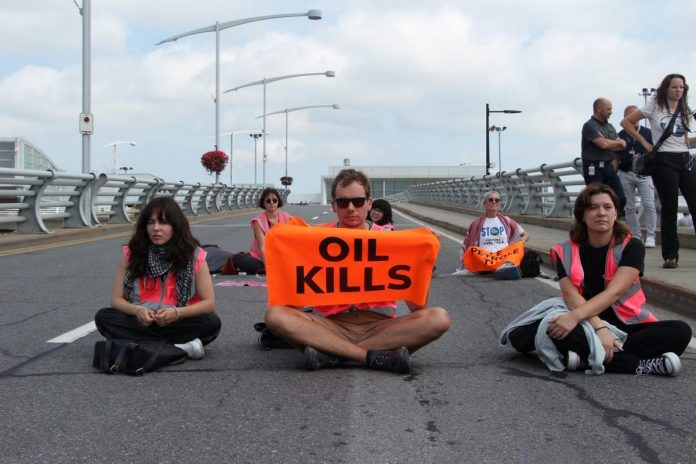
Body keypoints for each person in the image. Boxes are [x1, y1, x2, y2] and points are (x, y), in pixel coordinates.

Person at [264, 169, 451, 374]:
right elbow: (296, 308)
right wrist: (285, 250)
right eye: (343, 202)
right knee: (275, 315)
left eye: (358, 201)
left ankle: (332, 354)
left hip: (381, 326)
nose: (351, 208)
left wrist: (424, 259)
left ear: (369, 203)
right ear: (334, 205)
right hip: (330, 325)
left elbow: (417, 308)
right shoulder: (316, 238)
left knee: (439, 318)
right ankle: (370, 356)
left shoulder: (391, 240)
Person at [500, 183, 691, 376]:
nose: (601, 213)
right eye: (593, 207)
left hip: (627, 324)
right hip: (585, 321)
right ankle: (641, 365)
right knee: (537, 333)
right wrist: (597, 327)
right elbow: (570, 295)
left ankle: (586, 357)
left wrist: (593, 327)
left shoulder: (632, 246)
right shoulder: (563, 250)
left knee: (680, 331)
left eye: (608, 207)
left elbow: (614, 292)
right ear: (582, 215)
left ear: (616, 213)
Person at [95, 196, 221, 360]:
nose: (156, 228)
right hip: (141, 321)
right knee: (104, 317)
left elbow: (209, 303)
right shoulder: (132, 254)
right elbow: (117, 300)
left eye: (163, 222)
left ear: (176, 226)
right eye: (150, 222)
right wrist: (138, 310)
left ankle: (141, 344)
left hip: (175, 321)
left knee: (211, 323)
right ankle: (178, 348)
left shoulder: (194, 256)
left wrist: (176, 313)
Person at [620, 73, 696, 269]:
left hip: (685, 159)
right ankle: (670, 256)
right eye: (674, 87)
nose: (678, 90)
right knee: (669, 208)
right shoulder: (654, 106)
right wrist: (645, 142)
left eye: (681, 87)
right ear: (666, 88)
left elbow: (685, 141)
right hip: (664, 160)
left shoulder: (684, 108)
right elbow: (626, 123)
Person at [461, 191, 529, 278]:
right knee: (471, 250)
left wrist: (522, 240)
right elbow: (468, 243)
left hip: (503, 256)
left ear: (499, 204)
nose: (494, 202)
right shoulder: (476, 223)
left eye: (497, 200)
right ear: (485, 203)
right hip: (486, 257)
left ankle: (497, 268)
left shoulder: (506, 220)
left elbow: (526, 234)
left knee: (519, 246)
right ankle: (499, 268)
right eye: (490, 200)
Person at [616, 105, 657, 248]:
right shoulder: (620, 135)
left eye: (636, 115)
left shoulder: (648, 133)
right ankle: (636, 235)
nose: (634, 119)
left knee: (649, 205)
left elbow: (655, 152)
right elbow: (616, 156)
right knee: (629, 207)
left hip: (645, 175)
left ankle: (651, 236)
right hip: (626, 173)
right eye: (630, 116)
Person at [232, 187, 291, 275]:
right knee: (237, 259)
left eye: (274, 200)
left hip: (282, 256)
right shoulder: (258, 221)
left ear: (278, 202)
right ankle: (271, 268)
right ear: (263, 203)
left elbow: (302, 229)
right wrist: (269, 267)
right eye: (268, 201)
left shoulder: (286, 217)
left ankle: (277, 267)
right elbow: (263, 248)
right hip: (261, 257)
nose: (271, 202)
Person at [581, 98, 626, 211]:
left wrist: (615, 143)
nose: (611, 112)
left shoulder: (609, 127)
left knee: (620, 198)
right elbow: (603, 144)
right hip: (594, 168)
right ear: (599, 109)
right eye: (609, 109)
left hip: (608, 166)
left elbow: (622, 146)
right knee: (595, 199)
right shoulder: (589, 125)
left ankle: (613, 223)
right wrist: (616, 142)